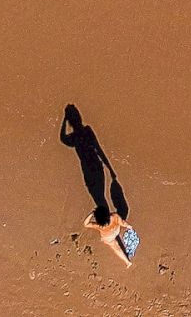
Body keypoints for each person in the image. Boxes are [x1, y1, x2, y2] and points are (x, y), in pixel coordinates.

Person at [60, 104, 135, 266]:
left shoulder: (100, 227)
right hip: (96, 164)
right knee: (96, 186)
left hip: (108, 235)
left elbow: (63, 139)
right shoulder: (87, 131)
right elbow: (99, 149)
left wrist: (64, 121)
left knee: (114, 246)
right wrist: (128, 227)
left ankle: (126, 262)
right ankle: (127, 258)